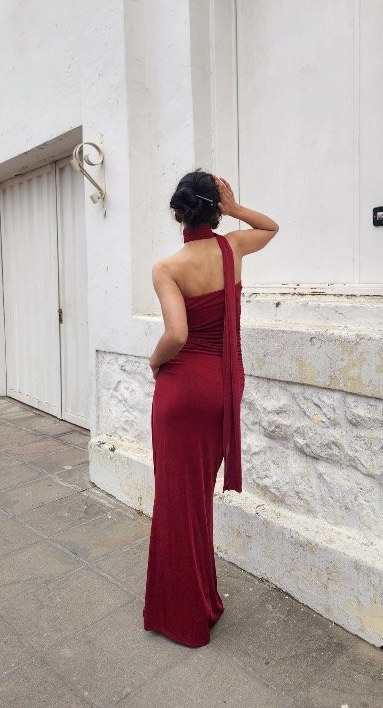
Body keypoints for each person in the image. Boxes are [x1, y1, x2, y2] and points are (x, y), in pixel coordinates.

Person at [142, 169, 278, 647]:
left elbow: (176, 335)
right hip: (222, 385)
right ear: (216, 210)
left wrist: (153, 362)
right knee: (197, 498)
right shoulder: (233, 248)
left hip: (183, 389)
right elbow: (271, 227)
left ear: (177, 212)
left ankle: (183, 616)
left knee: (175, 500)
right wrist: (235, 209)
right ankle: (201, 602)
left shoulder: (168, 267)